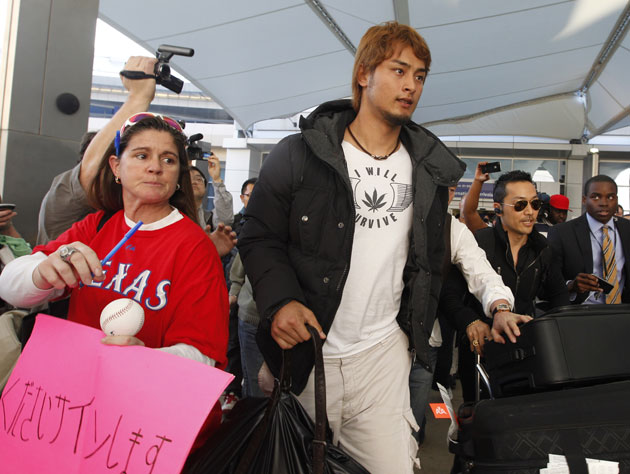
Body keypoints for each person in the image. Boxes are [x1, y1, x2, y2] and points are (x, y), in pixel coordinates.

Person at [238, 22, 467, 473]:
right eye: (399, 70)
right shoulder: (300, 154)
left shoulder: (428, 170)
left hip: (382, 357)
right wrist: (281, 300)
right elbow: (259, 233)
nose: (411, 85)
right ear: (364, 74)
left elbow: (432, 261)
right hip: (308, 356)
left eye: (420, 76)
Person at [0, 113, 229, 431]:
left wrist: (143, 360)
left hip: (145, 423)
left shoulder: (194, 246)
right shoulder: (97, 226)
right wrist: (42, 272)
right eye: (141, 155)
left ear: (179, 176)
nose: (155, 167)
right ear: (115, 167)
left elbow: (203, 353)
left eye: (168, 159)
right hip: (79, 405)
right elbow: (10, 286)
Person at [442, 170, 569, 401]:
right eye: (520, 205)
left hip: (528, 351)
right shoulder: (479, 244)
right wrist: (471, 321)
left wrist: (554, 333)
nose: (530, 212)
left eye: (535, 203)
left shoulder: (544, 249)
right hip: (481, 351)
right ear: (498, 208)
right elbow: (449, 296)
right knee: (479, 419)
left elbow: (559, 295)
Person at [408, 185, 520, 444]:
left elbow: (482, 275)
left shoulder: (454, 231)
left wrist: (501, 308)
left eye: (446, 189)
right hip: (370, 344)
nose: (438, 195)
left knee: (411, 428)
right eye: (431, 185)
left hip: (423, 344)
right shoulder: (386, 222)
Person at [548, 175, 630, 304]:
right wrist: (571, 286)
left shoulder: (627, 229)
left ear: (617, 199)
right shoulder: (562, 233)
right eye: (596, 197)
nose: (604, 203)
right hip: (580, 314)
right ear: (584, 200)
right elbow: (548, 283)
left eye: (610, 197)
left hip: (621, 313)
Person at [229, 253, 264, 398]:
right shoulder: (258, 231)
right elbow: (242, 258)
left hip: (294, 320)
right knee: (256, 387)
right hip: (253, 317)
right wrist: (234, 292)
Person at [190, 155, 234, 230]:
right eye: (188, 179)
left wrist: (216, 179)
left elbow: (225, 220)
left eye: (199, 179)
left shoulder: (209, 218)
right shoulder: (172, 215)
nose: (194, 182)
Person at [461, 161, 496, 233]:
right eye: (519, 205)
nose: (526, 211)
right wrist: (478, 181)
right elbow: (469, 212)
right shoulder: (492, 237)